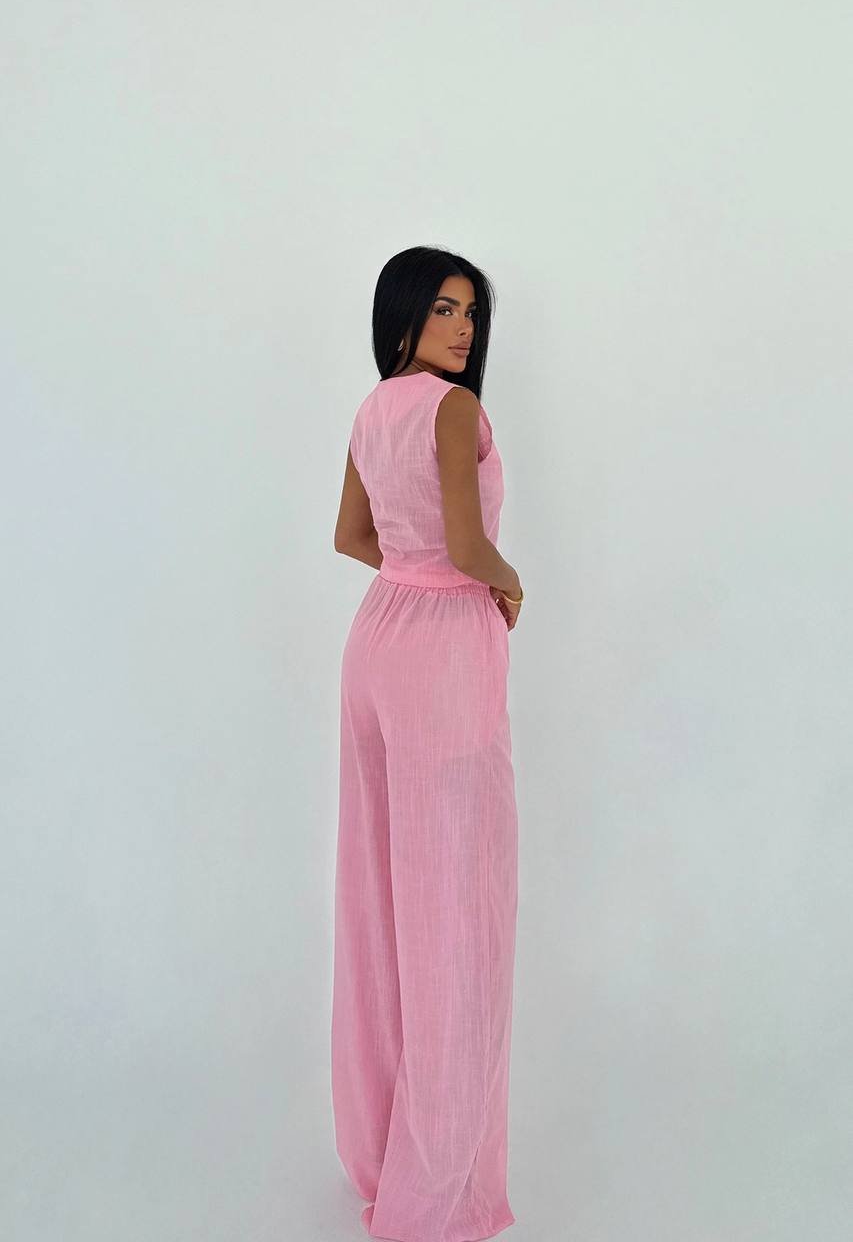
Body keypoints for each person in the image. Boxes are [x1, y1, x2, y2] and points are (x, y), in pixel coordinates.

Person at [332, 245, 523, 1242]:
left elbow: (352, 535)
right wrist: (507, 582)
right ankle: (438, 1184)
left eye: (472, 313)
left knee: (382, 892)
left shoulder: (374, 409)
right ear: (402, 314)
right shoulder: (452, 409)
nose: (463, 329)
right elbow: (464, 544)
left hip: (376, 639)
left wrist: (417, 566)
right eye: (445, 309)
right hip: (443, 646)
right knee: (454, 903)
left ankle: (382, 1149)